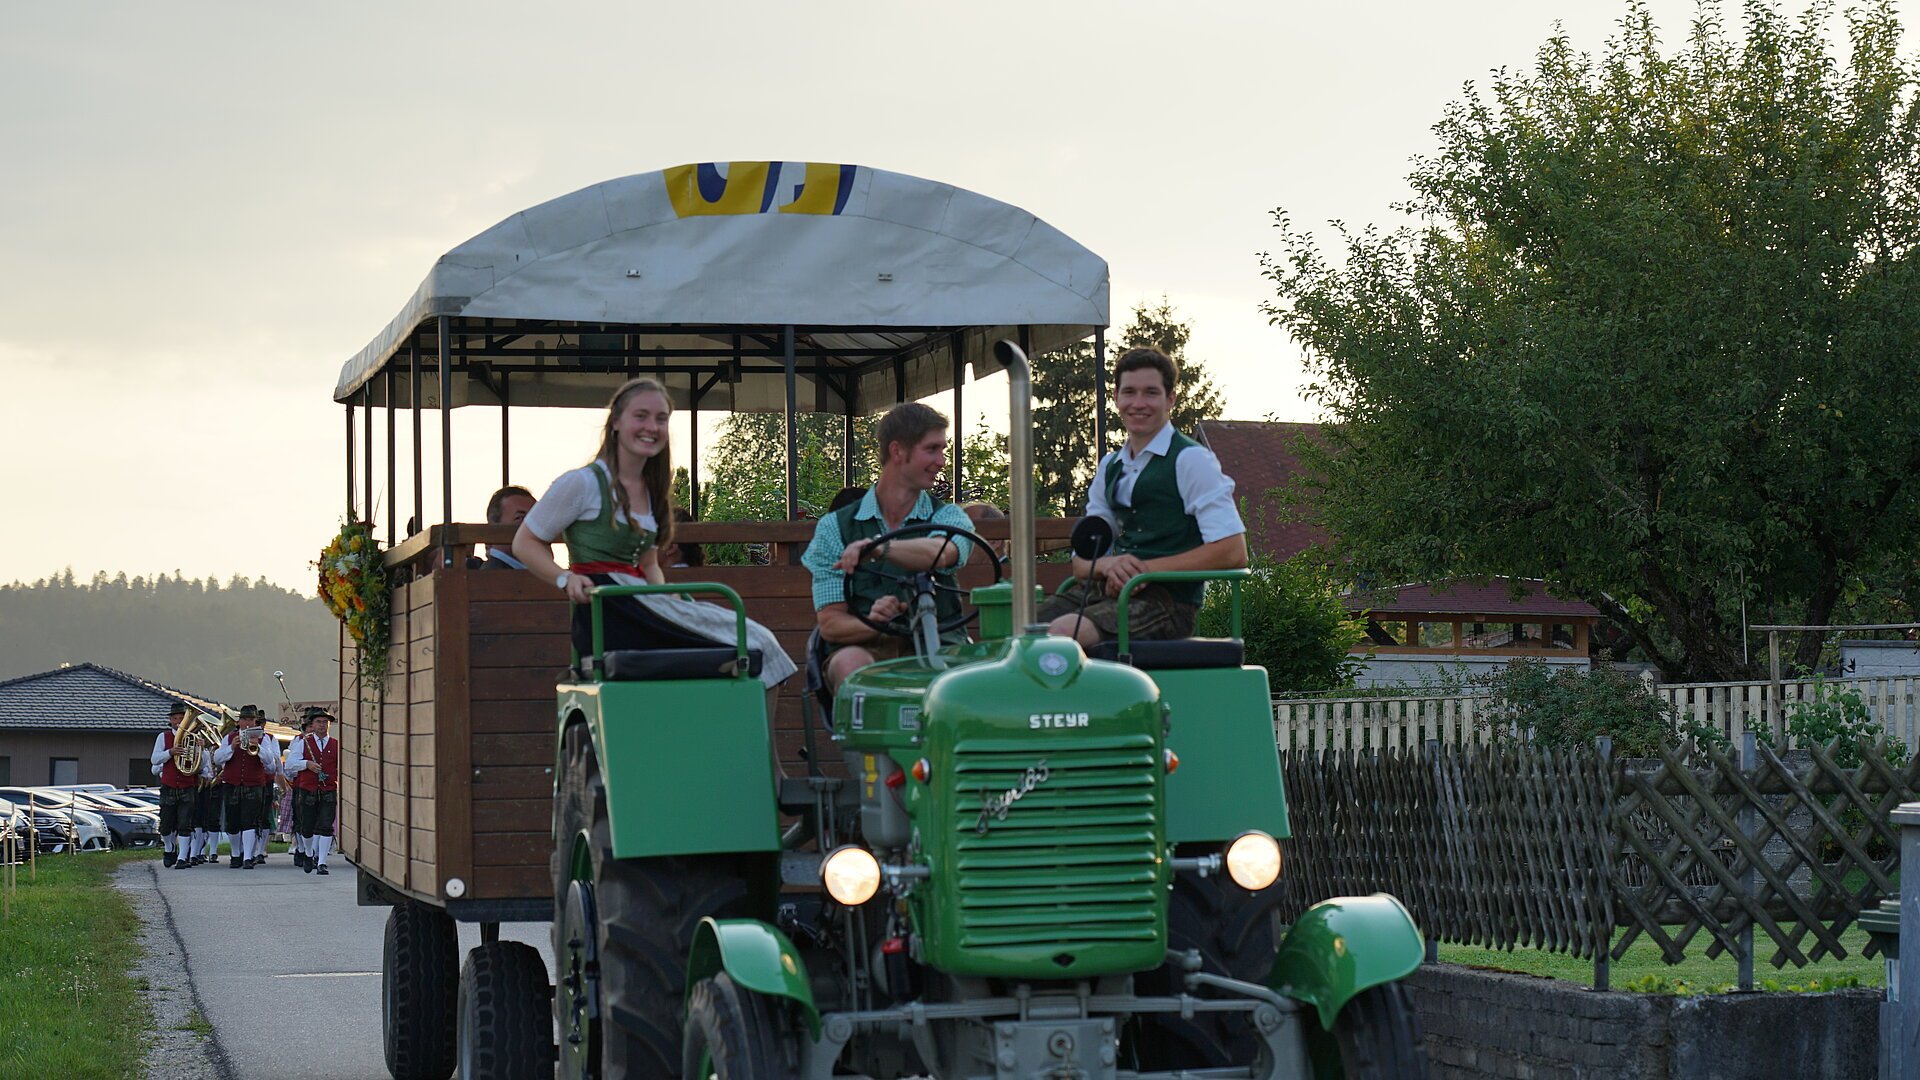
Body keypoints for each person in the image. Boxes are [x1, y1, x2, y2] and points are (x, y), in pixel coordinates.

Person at [512, 377, 796, 688]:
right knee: (751, 643)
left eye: (661, 419)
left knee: (759, 641)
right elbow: (525, 542)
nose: (652, 427)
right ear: (616, 421)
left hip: (642, 603)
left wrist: (666, 596)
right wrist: (565, 578)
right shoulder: (583, 482)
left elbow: (649, 565)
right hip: (609, 610)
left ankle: (746, 721)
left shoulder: (652, 491)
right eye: (641, 416)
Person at [1040, 347, 1248, 646]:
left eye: (1151, 392)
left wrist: (1144, 571)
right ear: (1116, 397)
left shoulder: (1191, 460)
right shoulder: (1110, 466)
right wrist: (1110, 567)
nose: (1138, 403)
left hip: (1169, 604)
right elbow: (1082, 566)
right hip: (1107, 593)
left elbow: (1232, 551)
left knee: (1062, 632)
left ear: (1170, 399)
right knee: (1022, 630)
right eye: (1129, 392)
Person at [802, 403, 974, 691]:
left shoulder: (948, 516)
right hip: (868, 648)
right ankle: (864, 720)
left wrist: (879, 548)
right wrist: (874, 622)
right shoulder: (834, 528)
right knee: (849, 663)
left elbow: (942, 553)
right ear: (898, 451)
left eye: (942, 450)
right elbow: (831, 624)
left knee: (968, 676)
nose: (942, 461)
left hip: (942, 645)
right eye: (932, 449)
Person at [213, 705, 280, 869]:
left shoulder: (264, 739)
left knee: (250, 821)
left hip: (254, 785)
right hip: (232, 784)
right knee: (233, 822)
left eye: (251, 719)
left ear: (256, 721)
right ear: (239, 721)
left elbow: (271, 764)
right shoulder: (229, 738)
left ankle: (248, 857)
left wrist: (258, 747)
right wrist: (231, 747)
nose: (248, 723)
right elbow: (217, 759)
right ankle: (236, 854)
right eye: (244, 719)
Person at [285, 708, 340, 875]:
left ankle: (322, 862)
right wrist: (306, 764)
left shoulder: (336, 744)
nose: (322, 725)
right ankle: (309, 853)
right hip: (307, 790)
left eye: (325, 722)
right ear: (312, 725)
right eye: (318, 722)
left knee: (326, 826)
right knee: (307, 827)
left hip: (328, 789)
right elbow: (290, 764)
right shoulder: (304, 743)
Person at [150, 702, 201, 869]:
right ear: (170, 720)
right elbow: (154, 759)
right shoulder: (163, 737)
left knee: (185, 824)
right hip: (169, 785)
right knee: (165, 825)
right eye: (176, 719)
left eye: (182, 718)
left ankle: (182, 857)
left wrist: (201, 750)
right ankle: (169, 848)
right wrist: (170, 752)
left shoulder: (194, 737)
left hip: (187, 785)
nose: (179, 722)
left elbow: (202, 766)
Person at [473, 486, 536, 569]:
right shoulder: (494, 574)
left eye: (535, 518)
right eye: (520, 518)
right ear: (494, 527)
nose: (532, 525)